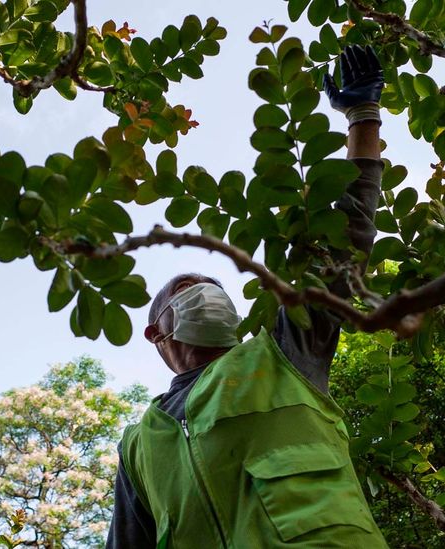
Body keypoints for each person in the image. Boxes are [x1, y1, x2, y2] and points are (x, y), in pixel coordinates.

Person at [107, 45, 389, 548]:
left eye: (216, 290)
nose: (209, 296)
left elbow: (346, 237)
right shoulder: (138, 448)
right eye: (188, 291)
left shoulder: (283, 352)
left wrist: (363, 117)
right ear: (156, 332)